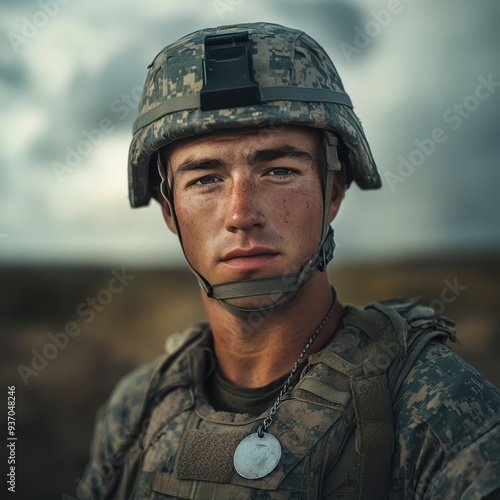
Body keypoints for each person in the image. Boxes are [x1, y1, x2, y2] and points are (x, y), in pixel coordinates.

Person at [82, 22, 500, 499]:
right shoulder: (136, 409)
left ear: (334, 192)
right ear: (169, 212)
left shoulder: (438, 406)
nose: (241, 214)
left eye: (279, 171)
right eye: (205, 180)